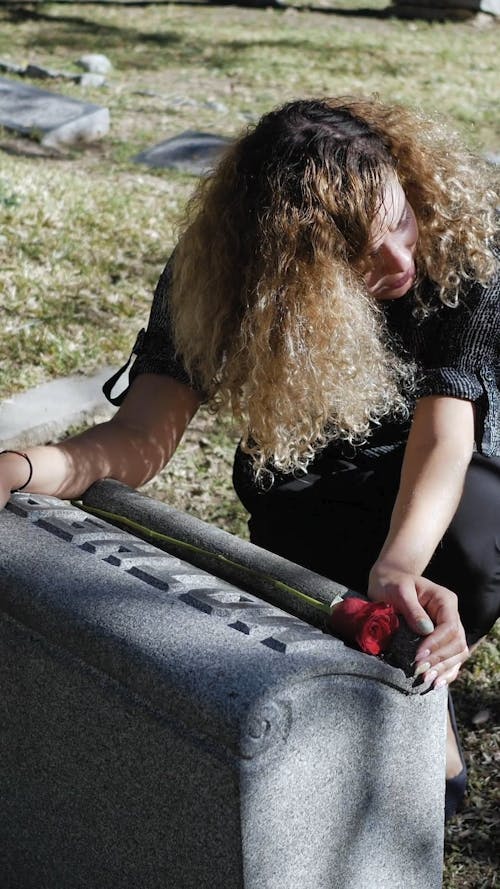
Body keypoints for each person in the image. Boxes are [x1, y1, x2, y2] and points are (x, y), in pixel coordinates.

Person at [1, 97, 499, 821]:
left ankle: (423, 692)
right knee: (305, 529)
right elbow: (139, 439)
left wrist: (400, 565)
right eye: (361, 252)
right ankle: (385, 683)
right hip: (322, 465)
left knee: (475, 537)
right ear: (285, 263)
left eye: (398, 221)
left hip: (467, 444)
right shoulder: (220, 270)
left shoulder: (464, 237)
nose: (401, 259)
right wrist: (19, 468)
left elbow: (445, 433)